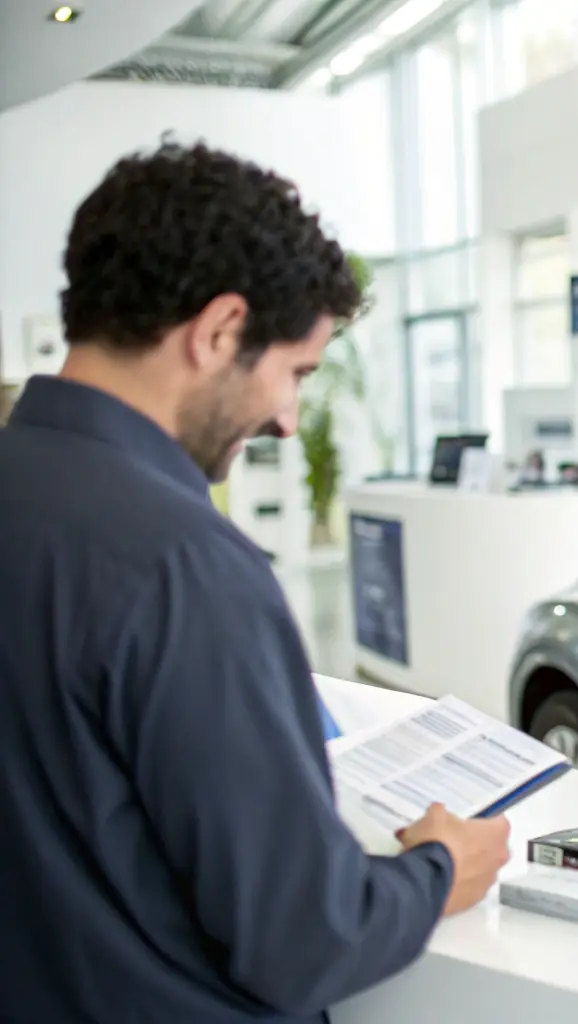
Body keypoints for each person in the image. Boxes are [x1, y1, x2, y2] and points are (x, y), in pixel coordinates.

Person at [0, 141, 511, 1023]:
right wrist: (439, 869)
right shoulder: (184, 561)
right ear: (220, 329)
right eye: (294, 372)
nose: (286, 417)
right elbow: (301, 937)